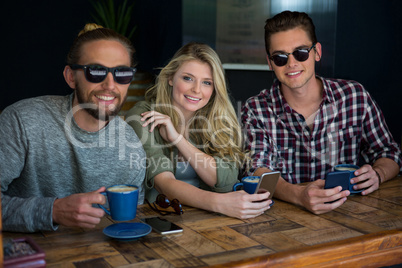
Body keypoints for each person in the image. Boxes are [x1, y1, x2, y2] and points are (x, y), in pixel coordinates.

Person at [241, 11, 402, 214]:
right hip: (284, 222)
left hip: (352, 215)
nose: (292, 64)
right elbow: (258, 171)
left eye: (300, 53)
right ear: (270, 62)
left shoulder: (354, 96)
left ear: (317, 52)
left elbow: (389, 152)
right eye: (280, 57)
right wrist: (299, 195)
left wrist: (377, 174)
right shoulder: (256, 109)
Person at [0, 23, 146, 233]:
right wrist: (53, 211)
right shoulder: (22, 121)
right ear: (70, 76)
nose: (110, 85)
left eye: (122, 73)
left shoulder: (130, 145)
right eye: (96, 71)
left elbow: (130, 222)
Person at [126, 42, 272, 219]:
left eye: (207, 82)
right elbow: (164, 183)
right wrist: (220, 203)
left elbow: (226, 181)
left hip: (209, 220)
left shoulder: (218, 120)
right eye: (187, 78)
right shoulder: (143, 115)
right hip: (160, 218)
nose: (196, 89)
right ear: (171, 78)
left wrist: (178, 139)